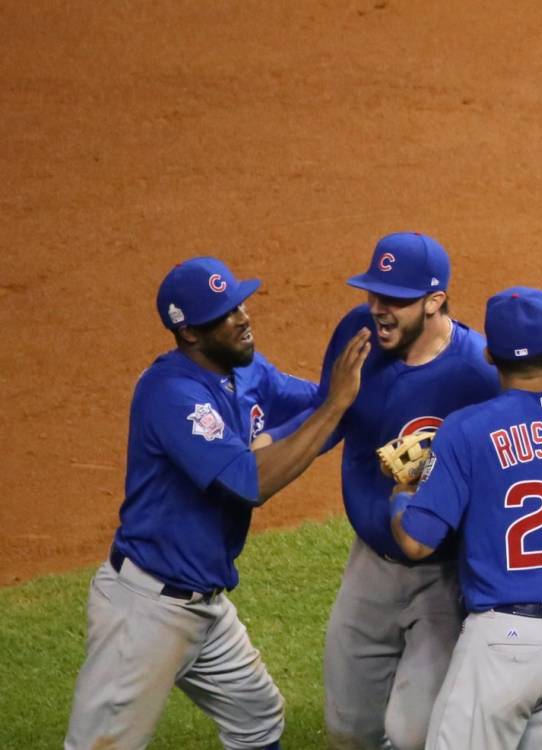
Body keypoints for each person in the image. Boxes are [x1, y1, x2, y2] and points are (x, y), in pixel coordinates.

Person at [66, 257, 370, 750]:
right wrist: (337, 404)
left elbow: (319, 413)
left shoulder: (247, 373)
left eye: (240, 303)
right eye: (225, 313)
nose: (243, 317)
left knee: (258, 717)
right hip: (146, 609)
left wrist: (364, 390)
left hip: (204, 603)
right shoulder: (171, 393)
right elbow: (247, 483)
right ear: (190, 334)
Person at [388, 288, 542, 749]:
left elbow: (417, 542)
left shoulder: (468, 429)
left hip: (504, 641)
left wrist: (401, 495)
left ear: (490, 355)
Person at [308, 232, 502, 750]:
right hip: (369, 565)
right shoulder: (358, 334)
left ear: (435, 301)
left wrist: (434, 472)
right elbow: (327, 415)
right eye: (373, 294)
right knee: (350, 730)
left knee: (413, 733)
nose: (378, 309)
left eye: (395, 299)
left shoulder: (479, 373)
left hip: (443, 576)